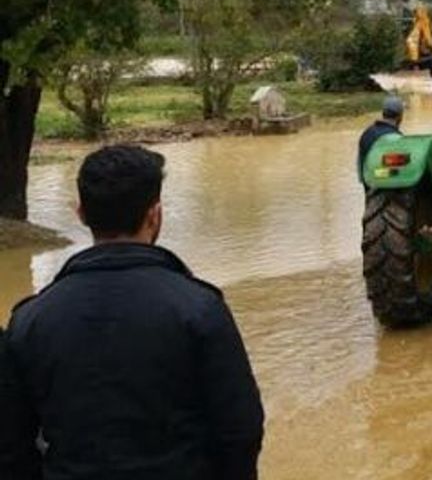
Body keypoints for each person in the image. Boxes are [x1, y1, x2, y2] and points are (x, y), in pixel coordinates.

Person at [0, 144, 264, 479]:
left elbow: (11, 445)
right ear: (155, 214)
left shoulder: (29, 321)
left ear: (81, 213)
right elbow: (241, 430)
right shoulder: (200, 309)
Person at [357, 94, 404, 183]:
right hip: (386, 184)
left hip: (369, 184)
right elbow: (399, 172)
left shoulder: (367, 133)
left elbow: (360, 166)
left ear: (383, 113)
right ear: (399, 117)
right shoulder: (397, 138)